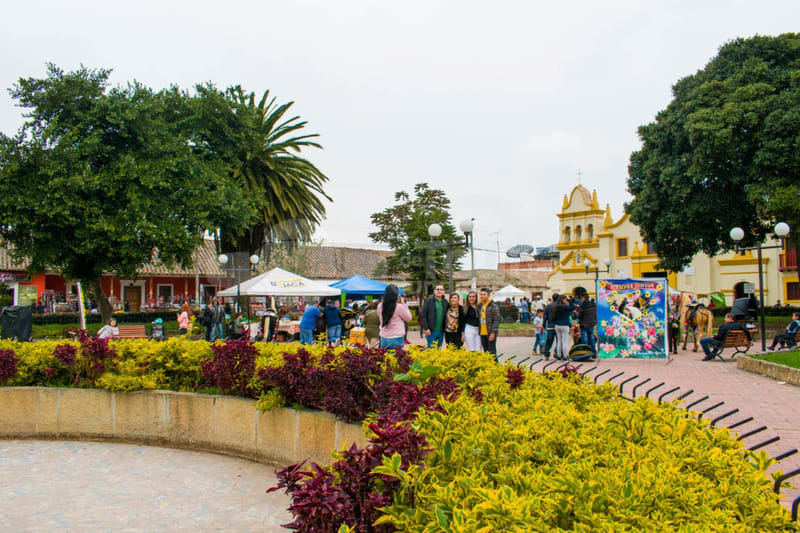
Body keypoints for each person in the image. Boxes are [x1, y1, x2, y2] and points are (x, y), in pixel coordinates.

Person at [378, 284, 412, 350]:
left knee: (385, 358)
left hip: (383, 337)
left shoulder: (380, 306)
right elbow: (409, 318)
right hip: (396, 337)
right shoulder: (399, 307)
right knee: (396, 358)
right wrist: (404, 304)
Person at [421, 284, 448, 349]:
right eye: (437, 289)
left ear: (443, 291)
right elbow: (423, 315)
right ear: (434, 291)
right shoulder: (428, 301)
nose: (439, 291)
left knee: (439, 349)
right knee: (431, 349)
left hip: (441, 331)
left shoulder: (445, 302)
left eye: (441, 289)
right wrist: (426, 328)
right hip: (431, 331)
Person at [552, 294, 575, 360]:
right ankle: (565, 355)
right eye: (565, 299)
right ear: (562, 300)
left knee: (559, 341)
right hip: (564, 325)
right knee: (565, 341)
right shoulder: (565, 307)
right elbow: (573, 307)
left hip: (557, 325)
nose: (566, 301)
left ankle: (559, 355)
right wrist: (570, 300)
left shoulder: (555, 307)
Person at [478, 288, 500, 356]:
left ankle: (495, 365)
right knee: (486, 351)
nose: (482, 296)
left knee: (492, 352)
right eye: (481, 294)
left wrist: (493, 332)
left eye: (484, 294)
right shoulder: (480, 306)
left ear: (488, 295)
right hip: (482, 332)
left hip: (490, 332)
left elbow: (496, 320)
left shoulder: (493, 305)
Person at [542, 294, 559, 359]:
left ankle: (546, 353)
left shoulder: (548, 306)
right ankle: (556, 352)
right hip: (558, 325)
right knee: (559, 340)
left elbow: (545, 316)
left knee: (549, 340)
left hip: (550, 325)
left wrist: (544, 324)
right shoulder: (560, 306)